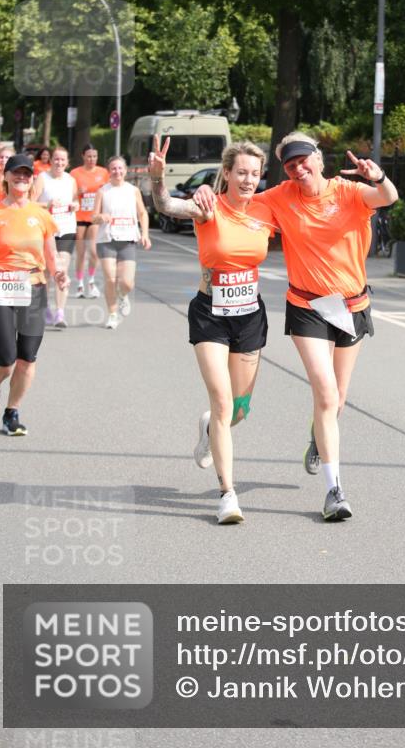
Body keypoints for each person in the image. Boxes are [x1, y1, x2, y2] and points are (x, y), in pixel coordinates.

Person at [194, 132, 398, 522]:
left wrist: (378, 176)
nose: (299, 169)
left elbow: (387, 197)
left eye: (304, 160)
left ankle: (317, 438)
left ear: (319, 159)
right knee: (324, 392)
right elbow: (235, 201)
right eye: (290, 165)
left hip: (353, 305)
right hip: (306, 305)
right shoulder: (279, 197)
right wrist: (207, 188)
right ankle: (334, 492)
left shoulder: (349, 192)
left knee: (337, 400)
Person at [149, 136, 276, 525]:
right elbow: (166, 205)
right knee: (222, 403)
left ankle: (208, 427)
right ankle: (228, 495)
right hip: (211, 315)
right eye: (241, 172)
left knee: (238, 410)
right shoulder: (208, 208)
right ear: (227, 173)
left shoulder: (267, 210)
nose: (248, 180)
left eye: (254, 173)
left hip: (250, 315)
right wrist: (157, 180)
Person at [0, 154, 69, 436]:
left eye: (26, 174)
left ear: (32, 179)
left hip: (34, 287)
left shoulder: (40, 215)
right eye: (16, 173)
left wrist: (58, 273)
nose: (22, 178)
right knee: (6, 359)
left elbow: (51, 254)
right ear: (5, 177)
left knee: (27, 358)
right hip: (2, 286)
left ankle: (12, 412)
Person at [90, 156, 151, 329]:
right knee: (110, 278)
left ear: (125, 170)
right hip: (107, 239)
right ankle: (112, 314)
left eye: (120, 168)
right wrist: (101, 217)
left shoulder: (133, 190)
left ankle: (123, 295)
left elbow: (142, 214)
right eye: (113, 168)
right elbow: (93, 217)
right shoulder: (103, 191)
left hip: (128, 239)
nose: (117, 171)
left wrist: (145, 234)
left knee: (126, 282)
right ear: (109, 171)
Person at [31, 146, 79, 328]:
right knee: (46, 272)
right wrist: (47, 204)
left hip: (66, 228)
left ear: (67, 163)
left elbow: (76, 201)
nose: (59, 163)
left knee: (62, 269)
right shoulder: (42, 178)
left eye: (63, 160)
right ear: (50, 160)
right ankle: (45, 308)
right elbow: (31, 203)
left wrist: (75, 205)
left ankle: (60, 313)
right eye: (56, 159)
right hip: (46, 230)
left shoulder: (70, 180)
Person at [70, 145, 109, 299]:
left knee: (93, 252)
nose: (92, 159)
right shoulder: (75, 173)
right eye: (89, 156)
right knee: (80, 253)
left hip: (94, 217)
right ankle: (80, 284)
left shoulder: (103, 173)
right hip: (79, 217)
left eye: (94, 156)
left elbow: (108, 193)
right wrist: (77, 193)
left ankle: (91, 282)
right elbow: (69, 194)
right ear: (83, 156)